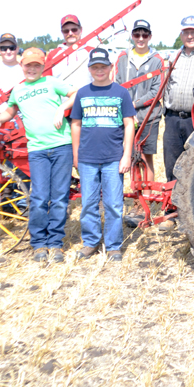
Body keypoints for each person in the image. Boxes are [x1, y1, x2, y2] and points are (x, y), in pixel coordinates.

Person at [0, 48, 76, 263]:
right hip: (37, 150)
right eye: (28, 65)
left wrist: (61, 109)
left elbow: (76, 93)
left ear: (42, 66)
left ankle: (55, 242)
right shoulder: (18, 90)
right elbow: (11, 110)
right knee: (38, 198)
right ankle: (38, 243)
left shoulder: (52, 83)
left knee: (59, 197)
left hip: (61, 146)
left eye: (37, 65)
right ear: (22, 66)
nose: (32, 69)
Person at [71, 48, 135, 262]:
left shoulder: (120, 93)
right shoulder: (83, 93)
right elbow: (76, 124)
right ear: (90, 69)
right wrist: (75, 155)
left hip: (113, 158)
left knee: (114, 204)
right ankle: (90, 242)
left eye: (103, 66)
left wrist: (126, 155)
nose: (99, 70)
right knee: (88, 203)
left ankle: (114, 245)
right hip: (88, 158)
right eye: (95, 67)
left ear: (111, 68)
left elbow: (129, 124)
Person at [161, 16, 194, 230]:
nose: (190, 36)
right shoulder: (173, 56)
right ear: (181, 35)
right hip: (173, 117)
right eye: (186, 32)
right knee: (172, 165)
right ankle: (171, 212)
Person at [114, 20, 164, 226]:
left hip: (147, 116)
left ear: (150, 36)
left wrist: (133, 105)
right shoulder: (123, 58)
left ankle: (147, 199)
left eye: (145, 35)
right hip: (125, 118)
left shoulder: (157, 60)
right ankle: (134, 198)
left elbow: (156, 91)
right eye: (137, 34)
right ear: (132, 36)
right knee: (128, 158)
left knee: (145, 158)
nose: (141, 38)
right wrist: (126, 109)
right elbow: (117, 84)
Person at [46, 14, 93, 88]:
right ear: (62, 32)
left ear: (81, 30)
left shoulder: (92, 52)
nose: (70, 33)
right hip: (62, 99)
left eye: (74, 30)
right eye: (66, 31)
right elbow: (47, 82)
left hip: (88, 98)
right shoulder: (53, 54)